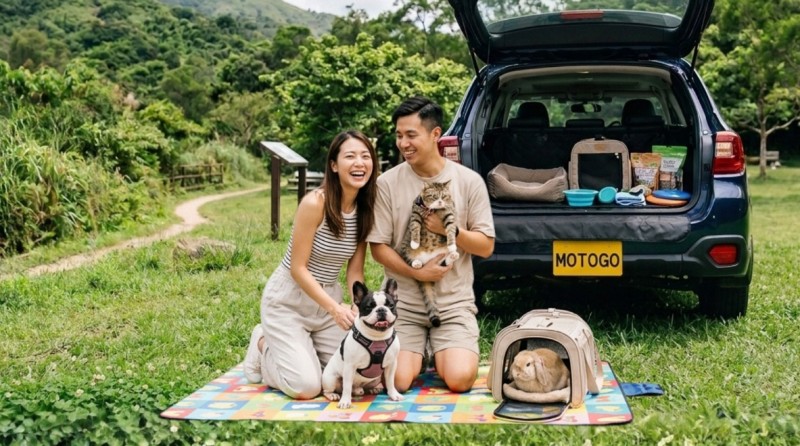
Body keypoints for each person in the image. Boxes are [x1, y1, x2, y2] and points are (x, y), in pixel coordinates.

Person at [368, 96, 495, 393]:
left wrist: (449, 229)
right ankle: (421, 353)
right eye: (399, 135)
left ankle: (441, 351)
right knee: (397, 380)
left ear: (435, 134)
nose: (403, 143)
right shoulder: (387, 183)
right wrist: (418, 273)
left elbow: (486, 246)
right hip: (404, 306)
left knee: (461, 380)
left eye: (411, 135)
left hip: (453, 305)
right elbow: (378, 248)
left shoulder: (469, 181)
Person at [243, 130, 377, 399]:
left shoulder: (366, 210)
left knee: (358, 373)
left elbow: (354, 270)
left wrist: (355, 304)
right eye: (350, 156)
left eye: (365, 156)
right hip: (289, 301)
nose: (359, 163)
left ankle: (304, 350)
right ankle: (262, 344)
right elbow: (298, 268)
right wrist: (334, 310)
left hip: (328, 301)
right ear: (334, 165)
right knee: (308, 387)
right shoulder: (315, 203)